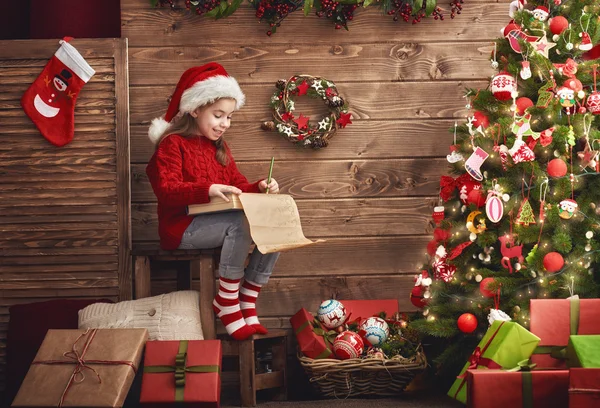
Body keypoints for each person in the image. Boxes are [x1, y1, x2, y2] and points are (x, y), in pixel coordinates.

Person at [146, 62, 280, 341]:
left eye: (229, 117)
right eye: (218, 115)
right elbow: (166, 190)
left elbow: (238, 187)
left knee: (276, 224)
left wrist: (259, 187)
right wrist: (206, 189)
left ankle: (247, 297)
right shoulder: (173, 144)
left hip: (215, 224)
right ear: (195, 109)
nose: (224, 124)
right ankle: (227, 301)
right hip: (181, 227)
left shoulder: (219, 148)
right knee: (239, 223)